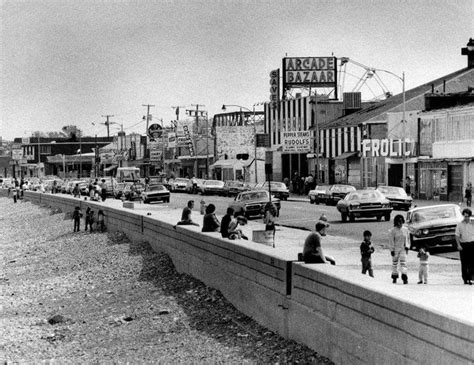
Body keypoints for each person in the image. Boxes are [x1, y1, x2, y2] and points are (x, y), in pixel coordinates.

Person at [455, 208, 474, 285]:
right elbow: (457, 235)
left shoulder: (472, 223)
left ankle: (471, 278)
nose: (466, 218)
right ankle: (465, 278)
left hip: (472, 244)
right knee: (464, 262)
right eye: (465, 216)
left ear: (469, 216)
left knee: (472, 262)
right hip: (464, 244)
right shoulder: (460, 224)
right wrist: (458, 245)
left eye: (467, 216)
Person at [388, 214, 409, 284]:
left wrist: (407, 247)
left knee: (403, 263)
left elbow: (408, 239)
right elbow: (391, 241)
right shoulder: (393, 231)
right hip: (396, 248)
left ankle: (404, 277)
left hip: (403, 248)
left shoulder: (405, 229)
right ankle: (394, 277)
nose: (400, 223)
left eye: (401, 221)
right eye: (398, 222)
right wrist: (392, 250)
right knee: (395, 263)